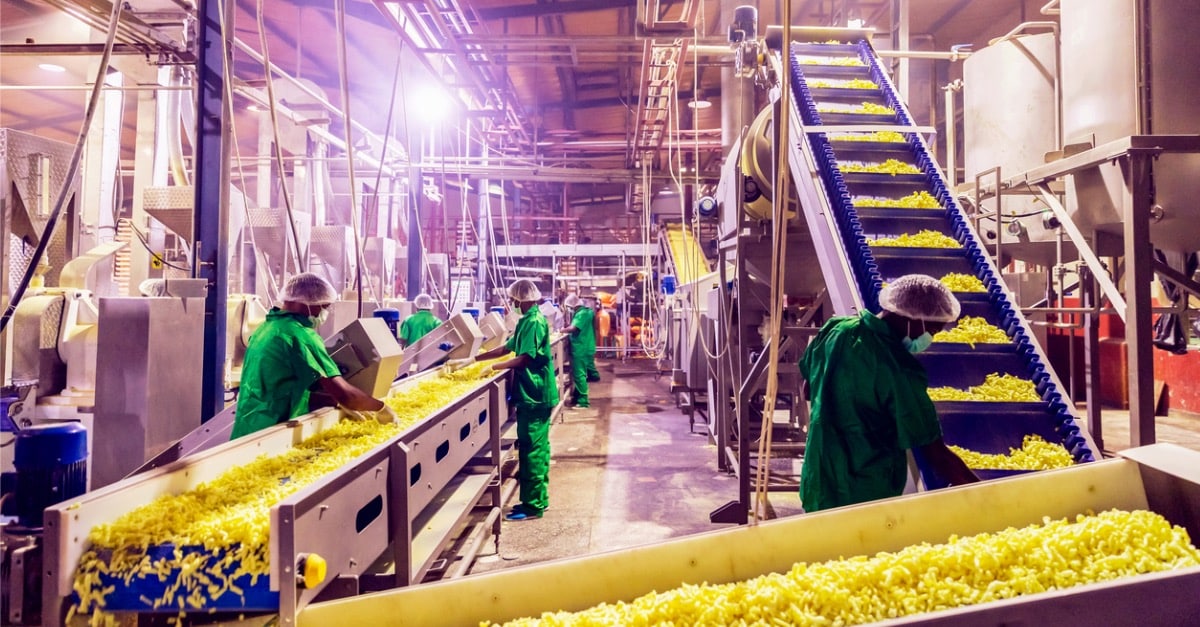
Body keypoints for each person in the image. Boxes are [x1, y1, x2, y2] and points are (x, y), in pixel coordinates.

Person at [799, 274, 979, 513]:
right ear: (912, 319)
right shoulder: (898, 369)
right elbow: (935, 454)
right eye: (932, 331)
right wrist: (987, 495)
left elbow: (807, 389)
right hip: (865, 491)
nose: (928, 340)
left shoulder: (835, 330)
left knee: (819, 547)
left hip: (819, 480)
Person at [232, 273, 393, 439]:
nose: (324, 312)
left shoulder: (266, 328)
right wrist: (380, 408)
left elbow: (282, 384)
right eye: (324, 306)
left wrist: (334, 401)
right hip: (272, 433)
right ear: (310, 303)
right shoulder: (300, 336)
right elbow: (346, 395)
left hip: (248, 427)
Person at [448, 278, 558, 521]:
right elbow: (508, 348)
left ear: (521, 300)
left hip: (535, 395)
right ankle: (539, 499)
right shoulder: (526, 321)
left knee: (532, 451)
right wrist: (473, 359)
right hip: (531, 394)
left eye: (513, 300)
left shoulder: (534, 322)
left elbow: (525, 358)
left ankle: (533, 506)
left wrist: (495, 368)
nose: (511, 304)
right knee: (537, 448)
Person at [561, 294, 600, 407]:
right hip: (588, 346)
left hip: (580, 348)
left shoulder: (581, 314)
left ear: (573, 306)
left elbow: (574, 328)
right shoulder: (588, 312)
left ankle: (583, 401)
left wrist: (562, 330)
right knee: (580, 374)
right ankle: (576, 396)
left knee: (579, 375)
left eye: (569, 307)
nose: (569, 309)